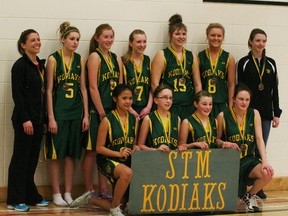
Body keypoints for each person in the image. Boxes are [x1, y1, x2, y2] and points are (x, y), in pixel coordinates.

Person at [46, 22, 89, 206]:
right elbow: (48, 91)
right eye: (72, 39)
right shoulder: (53, 60)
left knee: (72, 154)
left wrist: (86, 115)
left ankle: (68, 192)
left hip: (75, 113)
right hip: (58, 114)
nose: (75, 42)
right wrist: (51, 117)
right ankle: (56, 193)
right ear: (63, 39)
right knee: (56, 155)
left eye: (78, 39)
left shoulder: (80, 59)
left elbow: (84, 89)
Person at [7, 29, 49, 212]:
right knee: (20, 160)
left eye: (38, 40)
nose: (37, 43)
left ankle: (30, 195)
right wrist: (25, 119)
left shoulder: (40, 65)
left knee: (32, 161)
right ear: (23, 45)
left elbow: (42, 95)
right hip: (25, 122)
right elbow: (18, 95)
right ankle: (14, 199)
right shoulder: (19, 66)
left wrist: (44, 119)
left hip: (39, 121)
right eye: (32, 40)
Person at [237, 28, 282, 199]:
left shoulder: (271, 63)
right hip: (247, 113)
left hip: (265, 113)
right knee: (248, 147)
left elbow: (274, 90)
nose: (260, 44)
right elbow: (240, 88)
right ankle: (243, 185)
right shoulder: (244, 62)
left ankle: (258, 186)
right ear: (250, 42)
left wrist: (276, 113)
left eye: (263, 41)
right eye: (257, 40)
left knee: (261, 148)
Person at [216, 83, 274, 212]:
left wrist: (264, 161)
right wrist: (223, 143)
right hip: (231, 163)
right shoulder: (222, 116)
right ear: (234, 99)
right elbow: (216, 139)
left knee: (267, 173)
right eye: (241, 99)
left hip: (248, 159)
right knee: (234, 206)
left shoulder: (254, 114)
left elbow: (259, 138)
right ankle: (238, 195)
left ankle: (250, 195)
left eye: (247, 99)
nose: (244, 102)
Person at [81, 23, 123, 201]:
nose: (109, 40)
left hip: (112, 112)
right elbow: (92, 87)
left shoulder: (116, 58)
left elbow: (120, 88)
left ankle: (103, 188)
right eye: (105, 36)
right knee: (91, 151)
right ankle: (89, 189)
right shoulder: (94, 57)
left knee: (106, 151)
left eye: (111, 36)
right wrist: (100, 112)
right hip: (98, 111)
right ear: (97, 38)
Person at [96, 84, 140, 216]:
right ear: (115, 99)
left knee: (121, 202)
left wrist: (135, 147)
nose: (128, 101)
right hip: (107, 159)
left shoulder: (134, 120)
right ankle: (114, 210)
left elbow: (134, 143)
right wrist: (118, 153)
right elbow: (99, 148)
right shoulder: (107, 120)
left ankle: (91, 200)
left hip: (124, 161)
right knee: (126, 172)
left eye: (130, 98)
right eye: (124, 98)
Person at [151, 14, 202, 120]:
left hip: (189, 105)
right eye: (177, 34)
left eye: (184, 34)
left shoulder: (192, 55)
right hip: (170, 106)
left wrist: (199, 103)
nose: (181, 37)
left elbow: (197, 84)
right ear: (170, 35)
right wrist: (161, 104)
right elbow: (154, 83)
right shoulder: (162, 54)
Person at [198, 23, 236, 118]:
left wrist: (231, 107)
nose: (216, 38)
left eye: (219, 35)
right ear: (207, 36)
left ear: (223, 38)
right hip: (205, 104)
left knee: (221, 133)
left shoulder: (228, 58)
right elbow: (197, 83)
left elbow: (231, 85)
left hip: (221, 103)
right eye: (212, 35)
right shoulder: (200, 56)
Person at [138, 84, 180, 151]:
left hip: (172, 159)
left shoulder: (177, 119)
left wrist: (182, 147)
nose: (168, 101)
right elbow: (140, 145)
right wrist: (156, 150)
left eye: (170, 98)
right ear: (156, 100)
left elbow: (179, 145)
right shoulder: (148, 119)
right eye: (165, 97)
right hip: (154, 159)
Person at [122, 29, 153, 120]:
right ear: (131, 43)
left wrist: (148, 107)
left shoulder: (148, 60)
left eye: (144, 41)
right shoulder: (123, 61)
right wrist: (130, 109)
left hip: (145, 108)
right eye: (139, 42)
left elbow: (152, 87)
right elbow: (121, 88)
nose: (142, 45)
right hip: (128, 107)